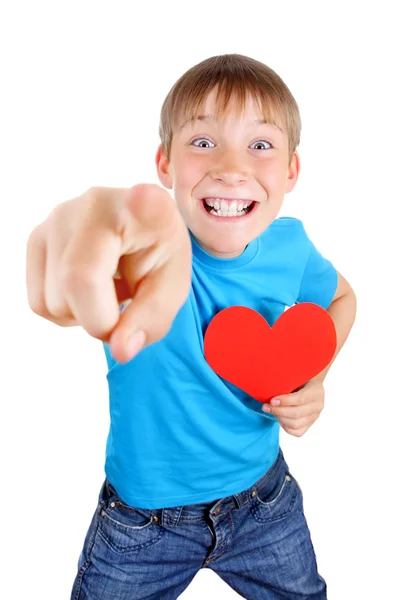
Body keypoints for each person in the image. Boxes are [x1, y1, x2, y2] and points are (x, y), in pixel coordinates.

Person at [26, 54, 357, 599]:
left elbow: (342, 298)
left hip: (264, 504)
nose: (231, 166)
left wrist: (314, 377)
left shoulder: (291, 247)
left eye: (260, 144)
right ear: (164, 164)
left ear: (292, 171)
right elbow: (105, 242)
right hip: (141, 525)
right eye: (203, 143)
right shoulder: (146, 253)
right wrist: (82, 245)